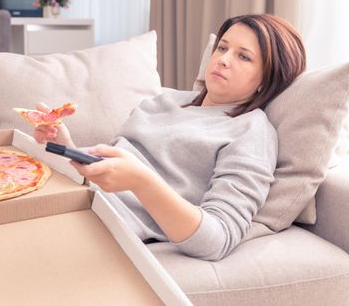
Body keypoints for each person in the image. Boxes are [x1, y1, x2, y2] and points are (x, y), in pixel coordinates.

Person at [33, 14, 306, 261]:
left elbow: (218, 239)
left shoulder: (251, 132)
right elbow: (107, 171)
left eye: (243, 56)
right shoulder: (166, 100)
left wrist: (142, 181)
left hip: (96, 224)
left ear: (267, 78)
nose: (223, 59)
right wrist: (65, 146)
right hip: (66, 199)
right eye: (222, 48)